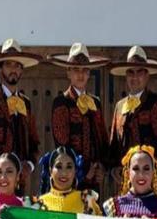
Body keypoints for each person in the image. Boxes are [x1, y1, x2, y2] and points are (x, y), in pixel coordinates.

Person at [0, 39, 42, 194]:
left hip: (21, 179)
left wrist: (29, 164)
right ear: (0, 67)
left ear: (22, 70)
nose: (14, 69)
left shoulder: (26, 103)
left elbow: (34, 141)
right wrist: (4, 163)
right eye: (9, 64)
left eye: (17, 66)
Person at [48, 43, 111, 193]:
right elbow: (62, 143)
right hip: (70, 177)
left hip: (94, 178)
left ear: (89, 73)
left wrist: (102, 166)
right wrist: (82, 169)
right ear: (68, 72)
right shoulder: (61, 102)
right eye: (76, 69)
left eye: (85, 70)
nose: (80, 74)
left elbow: (102, 139)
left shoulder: (95, 102)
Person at [107, 46, 157, 188]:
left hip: (148, 176)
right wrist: (113, 168)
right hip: (124, 178)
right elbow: (114, 142)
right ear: (126, 76)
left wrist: (145, 167)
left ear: (147, 75)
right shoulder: (119, 105)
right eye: (131, 72)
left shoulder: (156, 102)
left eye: (139, 72)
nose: (135, 77)